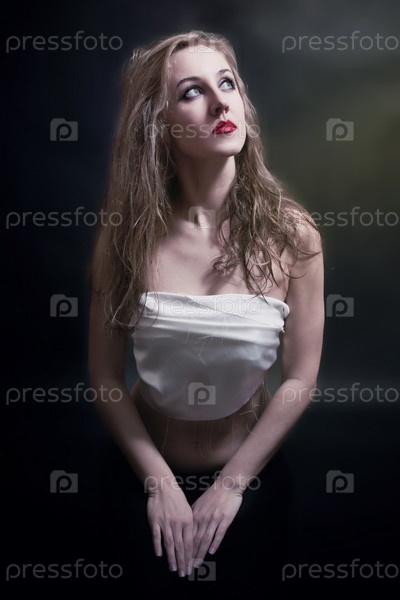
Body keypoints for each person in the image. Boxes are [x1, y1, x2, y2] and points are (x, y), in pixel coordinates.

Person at [88, 30, 324, 589]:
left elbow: (301, 378)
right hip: (140, 474)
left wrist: (232, 485)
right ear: (159, 124)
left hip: (251, 477)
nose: (221, 103)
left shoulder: (294, 236)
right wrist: (158, 484)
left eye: (227, 84)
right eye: (192, 91)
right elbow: (105, 378)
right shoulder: (126, 238)